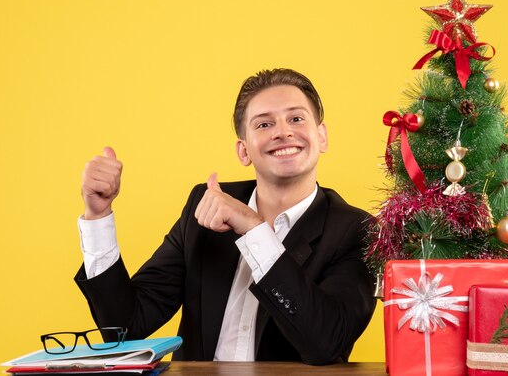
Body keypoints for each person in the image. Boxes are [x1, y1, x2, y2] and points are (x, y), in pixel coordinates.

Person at [74, 68, 376, 365]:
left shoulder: (357, 231)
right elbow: (126, 328)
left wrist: (255, 230)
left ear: (321, 137)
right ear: (243, 151)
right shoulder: (204, 208)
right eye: (264, 124)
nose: (283, 132)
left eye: (296, 119)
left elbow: (325, 343)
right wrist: (98, 215)